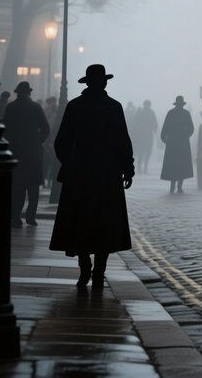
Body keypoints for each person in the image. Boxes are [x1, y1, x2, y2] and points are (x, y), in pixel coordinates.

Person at [49, 64, 134, 288]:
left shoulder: (75, 106)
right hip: (106, 174)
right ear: (103, 82)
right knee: (104, 225)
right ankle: (99, 271)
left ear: (87, 83)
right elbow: (123, 141)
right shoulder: (113, 107)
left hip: (80, 174)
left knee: (79, 222)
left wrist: (70, 162)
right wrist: (127, 167)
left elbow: (61, 141)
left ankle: (85, 266)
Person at [4, 81, 50, 227]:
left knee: (18, 187)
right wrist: (38, 141)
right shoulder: (36, 107)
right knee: (33, 187)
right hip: (33, 152)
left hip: (16, 152)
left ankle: (16, 217)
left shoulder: (11, 107)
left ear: (17, 92)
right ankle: (31, 216)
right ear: (29, 92)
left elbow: (4, 129)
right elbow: (46, 128)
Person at [160, 95, 194, 194]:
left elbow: (165, 128)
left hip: (173, 142)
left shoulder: (171, 113)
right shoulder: (186, 113)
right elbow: (191, 128)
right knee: (181, 165)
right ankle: (178, 186)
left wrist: (164, 138)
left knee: (173, 164)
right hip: (181, 143)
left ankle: (174, 186)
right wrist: (186, 135)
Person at [132, 99, 158, 175]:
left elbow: (135, 123)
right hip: (147, 135)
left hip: (142, 135)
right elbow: (155, 124)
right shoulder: (150, 112)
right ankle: (144, 168)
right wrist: (154, 129)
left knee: (142, 152)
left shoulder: (141, 112)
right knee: (146, 152)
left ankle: (141, 168)